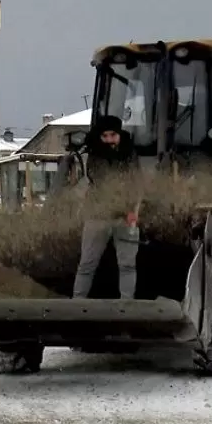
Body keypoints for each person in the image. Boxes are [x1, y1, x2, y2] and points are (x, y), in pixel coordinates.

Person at [73, 115, 141, 299]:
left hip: (125, 219)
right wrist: (125, 210)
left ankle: (126, 306)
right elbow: (104, 185)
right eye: (105, 136)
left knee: (127, 265)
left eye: (113, 135)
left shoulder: (130, 154)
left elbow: (135, 183)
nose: (110, 139)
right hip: (98, 217)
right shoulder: (96, 156)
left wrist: (134, 210)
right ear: (100, 137)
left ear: (119, 134)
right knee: (87, 264)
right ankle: (76, 305)